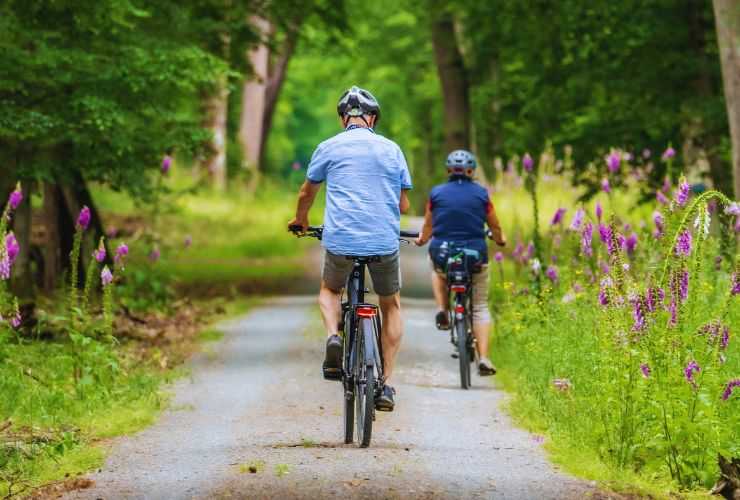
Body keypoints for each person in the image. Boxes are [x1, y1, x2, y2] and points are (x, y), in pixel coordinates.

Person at [288, 85, 412, 411]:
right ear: (372, 118)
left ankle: (333, 336)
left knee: (330, 290)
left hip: (341, 239)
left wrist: (301, 220)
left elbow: (306, 194)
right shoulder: (392, 149)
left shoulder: (328, 147)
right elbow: (403, 202)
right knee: (391, 304)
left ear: (344, 118)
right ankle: (387, 384)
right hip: (383, 241)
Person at [414, 150, 505, 376]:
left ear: (448, 171)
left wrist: (422, 239)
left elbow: (428, 226)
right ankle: (483, 357)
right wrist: (501, 240)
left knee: (437, 269)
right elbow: (494, 226)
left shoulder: (436, 193)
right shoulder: (482, 195)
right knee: (480, 306)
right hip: (475, 255)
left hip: (443, 253)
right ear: (471, 171)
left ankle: (442, 308)